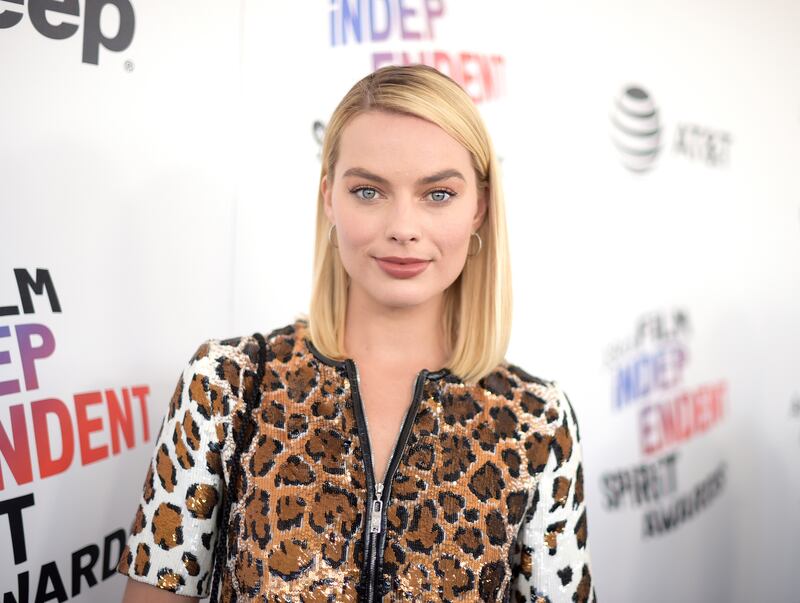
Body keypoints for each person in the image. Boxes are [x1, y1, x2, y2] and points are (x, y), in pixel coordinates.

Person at [117, 64, 597, 603]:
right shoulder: (229, 384)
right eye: (369, 191)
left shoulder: (534, 418)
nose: (403, 226)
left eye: (438, 194)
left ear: (480, 207)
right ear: (330, 199)